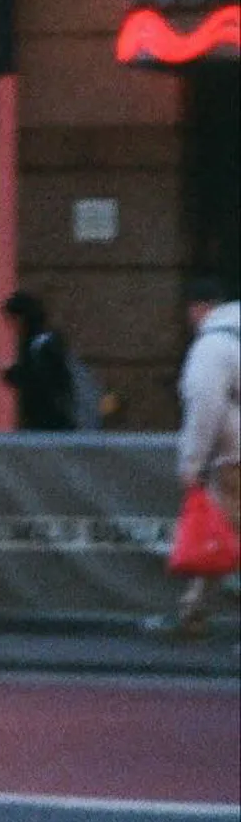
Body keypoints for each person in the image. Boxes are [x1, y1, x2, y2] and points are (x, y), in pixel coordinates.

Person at [163, 272, 241, 635]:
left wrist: (191, 463)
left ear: (197, 309)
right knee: (222, 532)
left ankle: (191, 614)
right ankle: (191, 611)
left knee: (217, 531)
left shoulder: (213, 347)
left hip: (234, 460)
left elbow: (204, 407)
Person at [0, 289, 77, 431]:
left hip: (49, 422)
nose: (11, 327)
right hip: (52, 420)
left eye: (11, 320)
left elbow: (37, 381)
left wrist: (9, 372)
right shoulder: (45, 339)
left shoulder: (39, 344)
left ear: (21, 318)